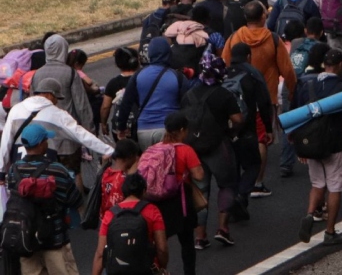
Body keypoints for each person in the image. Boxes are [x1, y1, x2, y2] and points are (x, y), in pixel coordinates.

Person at [222, 0, 296, 197]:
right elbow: (287, 70)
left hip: (236, 99)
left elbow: (223, 66)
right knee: (261, 139)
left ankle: (238, 179)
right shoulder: (272, 39)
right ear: (263, 17)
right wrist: (293, 91)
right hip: (265, 97)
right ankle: (257, 182)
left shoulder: (234, 38)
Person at [296, 49, 342, 246]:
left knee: (317, 184)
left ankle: (310, 214)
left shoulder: (307, 85)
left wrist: (299, 147)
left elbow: (299, 115)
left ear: (324, 65)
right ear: (340, 65)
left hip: (312, 143)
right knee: (335, 186)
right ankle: (330, 232)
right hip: (334, 143)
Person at [5, 125, 83, 275]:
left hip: (26, 238)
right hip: (54, 239)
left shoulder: (14, 170)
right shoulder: (57, 170)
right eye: (46, 139)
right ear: (41, 144)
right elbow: (75, 199)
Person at [183, 52, 243, 248]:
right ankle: (223, 229)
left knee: (200, 191)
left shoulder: (189, 95)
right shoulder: (224, 94)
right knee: (227, 184)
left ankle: (200, 237)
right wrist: (232, 132)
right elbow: (237, 120)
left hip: (194, 149)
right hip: (219, 145)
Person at [147, 112, 206, 275]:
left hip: (158, 202)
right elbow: (199, 175)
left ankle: (158, 271)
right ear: (181, 130)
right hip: (180, 200)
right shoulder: (186, 150)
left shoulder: (155, 148)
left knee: (159, 242)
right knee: (186, 242)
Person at [31, 34, 94, 170]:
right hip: (67, 135)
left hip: (44, 138)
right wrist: (89, 131)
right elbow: (81, 105)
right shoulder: (70, 73)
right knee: (73, 173)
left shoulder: (37, 74)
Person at [225, 42, 273, 220]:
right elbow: (264, 102)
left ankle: (236, 207)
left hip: (227, 131)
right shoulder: (252, 74)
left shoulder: (223, 73)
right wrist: (268, 128)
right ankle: (241, 195)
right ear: (248, 56)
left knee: (233, 169)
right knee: (253, 165)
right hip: (247, 129)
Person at [114, 38, 187, 150]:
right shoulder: (177, 76)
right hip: (168, 130)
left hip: (144, 130)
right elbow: (187, 104)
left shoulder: (138, 75)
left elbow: (126, 103)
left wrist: (121, 128)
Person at [92, 172, 169, 275]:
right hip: (146, 269)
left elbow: (101, 253)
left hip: (116, 270)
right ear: (144, 191)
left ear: (123, 191)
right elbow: (162, 249)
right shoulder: (152, 210)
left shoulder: (110, 214)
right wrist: (162, 267)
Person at [99, 47, 139, 137]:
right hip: (141, 125)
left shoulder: (113, 83)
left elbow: (105, 107)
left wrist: (103, 124)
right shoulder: (143, 78)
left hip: (121, 129)